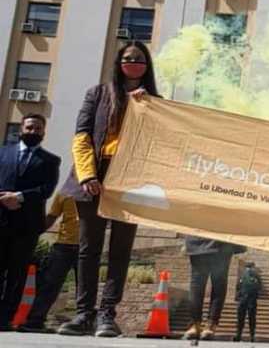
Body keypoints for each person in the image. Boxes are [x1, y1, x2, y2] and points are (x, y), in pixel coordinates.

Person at [58, 41, 160, 338]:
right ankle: (83, 314)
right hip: (94, 176)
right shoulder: (98, 93)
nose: (133, 63)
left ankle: (107, 315)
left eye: (139, 59)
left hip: (131, 180)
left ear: (147, 65)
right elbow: (81, 136)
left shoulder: (155, 101)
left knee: (120, 251)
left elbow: (157, 144)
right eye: (128, 58)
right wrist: (87, 175)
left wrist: (144, 107)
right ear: (118, 62)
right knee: (89, 249)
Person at [0, 114, 61, 331]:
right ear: (21, 128)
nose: (33, 132)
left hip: (27, 226)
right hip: (1, 220)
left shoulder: (50, 160)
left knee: (16, 274)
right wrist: (4, 198)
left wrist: (18, 197)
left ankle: (5, 318)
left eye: (38, 129)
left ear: (43, 132)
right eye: (29, 127)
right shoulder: (2, 153)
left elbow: (47, 189)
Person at [18, 193, 79, 333]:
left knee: (85, 288)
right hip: (64, 244)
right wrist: (34, 233)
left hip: (88, 247)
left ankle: (84, 322)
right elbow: (52, 217)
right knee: (49, 283)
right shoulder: (64, 194)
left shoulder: (98, 193)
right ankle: (34, 321)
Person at [182, 237, 246, 340]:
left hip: (220, 241)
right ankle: (197, 324)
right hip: (202, 237)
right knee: (199, 284)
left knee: (217, 283)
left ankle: (208, 324)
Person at [234, 262, 262, 343]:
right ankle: (242, 335)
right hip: (248, 299)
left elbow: (238, 287)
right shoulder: (251, 275)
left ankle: (248, 336)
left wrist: (239, 295)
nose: (249, 269)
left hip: (247, 299)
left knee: (246, 318)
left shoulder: (245, 275)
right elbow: (260, 286)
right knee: (246, 318)